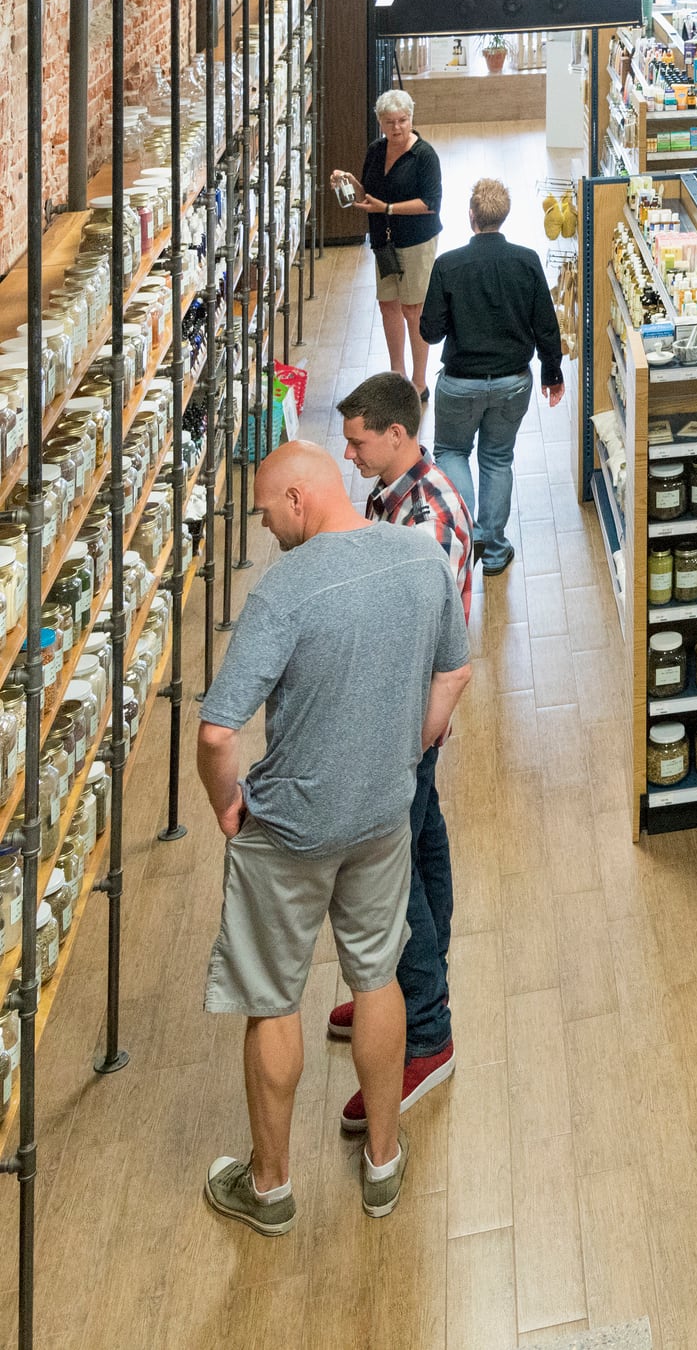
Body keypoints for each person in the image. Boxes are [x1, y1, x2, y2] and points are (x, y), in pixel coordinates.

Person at [197, 442, 471, 1236]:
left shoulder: (285, 591)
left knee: (272, 999)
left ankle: (271, 1186)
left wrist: (225, 808)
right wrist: (408, 752)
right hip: (382, 816)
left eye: (264, 512)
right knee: (376, 975)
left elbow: (219, 733)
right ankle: (383, 1163)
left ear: (295, 501)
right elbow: (454, 673)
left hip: (288, 829)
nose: (264, 526)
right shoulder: (420, 560)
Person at [330, 372, 472, 1135]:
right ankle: (413, 990)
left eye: (358, 441)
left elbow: (418, 633)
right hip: (408, 715)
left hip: (408, 719)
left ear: (395, 434)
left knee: (395, 871)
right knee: (424, 842)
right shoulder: (394, 495)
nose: (349, 454)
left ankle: (423, 1031)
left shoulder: (428, 518)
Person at [420, 177, 566, 577]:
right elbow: (546, 326)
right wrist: (553, 373)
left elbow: (430, 331)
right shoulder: (527, 260)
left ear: (471, 216)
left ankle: (464, 541)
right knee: (498, 459)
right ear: (504, 216)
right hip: (513, 381)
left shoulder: (447, 265)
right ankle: (495, 548)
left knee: (452, 453)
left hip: (460, 381)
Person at [332, 90, 444, 399]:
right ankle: (398, 375)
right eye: (390, 122)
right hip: (384, 242)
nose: (397, 128)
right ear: (380, 122)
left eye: (403, 121)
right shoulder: (375, 150)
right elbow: (368, 193)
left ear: (412, 119)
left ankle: (419, 382)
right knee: (388, 306)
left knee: (413, 308)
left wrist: (389, 209)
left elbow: (431, 203)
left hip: (416, 241)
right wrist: (349, 182)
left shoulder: (424, 155)